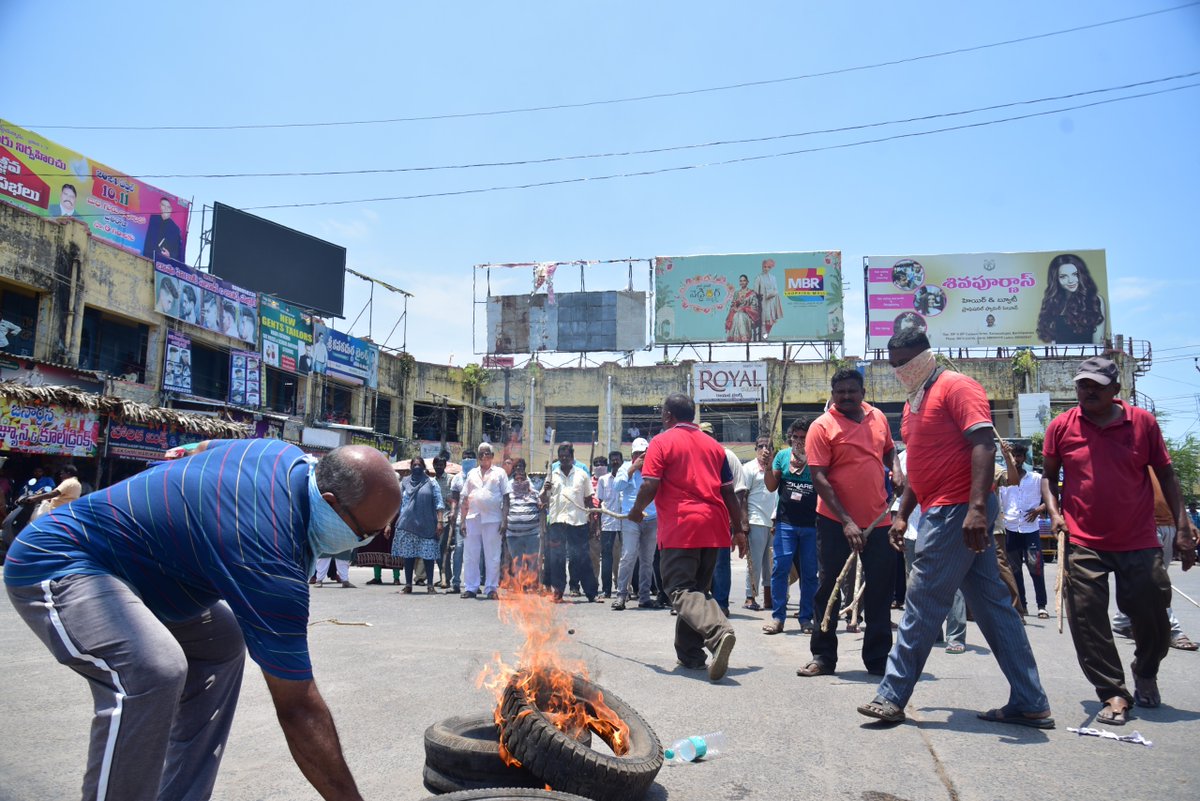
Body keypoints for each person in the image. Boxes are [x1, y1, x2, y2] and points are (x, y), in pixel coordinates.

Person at [4, 440, 400, 801]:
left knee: (222, 642)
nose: (369, 539)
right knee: (153, 669)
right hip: (61, 559)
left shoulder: (280, 454)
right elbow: (298, 708)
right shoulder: (266, 553)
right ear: (329, 502)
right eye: (365, 532)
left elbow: (197, 448)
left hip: (143, 575)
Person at [859, 329, 1052, 727]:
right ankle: (1030, 700)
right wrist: (901, 512)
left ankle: (892, 694)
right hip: (939, 508)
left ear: (927, 356)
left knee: (923, 600)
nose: (900, 370)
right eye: (894, 364)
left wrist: (978, 508)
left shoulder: (956, 386)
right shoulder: (913, 405)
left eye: (907, 362)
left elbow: (984, 444)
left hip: (956, 511)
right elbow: (920, 468)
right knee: (994, 607)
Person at [1042, 356, 1197, 725]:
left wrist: (1184, 525)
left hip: (1137, 539)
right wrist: (1053, 512)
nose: (1088, 390)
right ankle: (1112, 691)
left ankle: (1146, 669)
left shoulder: (1142, 423)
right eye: (1083, 384)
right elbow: (1048, 476)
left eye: (1096, 385)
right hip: (1082, 540)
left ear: (1116, 390)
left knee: (1153, 614)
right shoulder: (1061, 426)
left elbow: (1167, 474)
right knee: (1086, 619)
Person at [628, 393, 746, 682]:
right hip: (714, 526)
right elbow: (728, 492)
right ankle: (690, 654)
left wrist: (635, 511)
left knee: (679, 591)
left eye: (662, 413)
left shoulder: (661, 442)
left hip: (683, 526)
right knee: (696, 592)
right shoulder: (714, 447)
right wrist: (739, 529)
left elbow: (650, 484)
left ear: (668, 415)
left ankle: (719, 632)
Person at [799, 368, 896, 678]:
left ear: (862, 392)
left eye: (851, 391)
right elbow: (819, 479)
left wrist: (898, 470)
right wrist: (847, 522)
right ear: (832, 394)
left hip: (879, 519)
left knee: (880, 589)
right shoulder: (821, 427)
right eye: (839, 392)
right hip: (835, 522)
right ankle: (823, 657)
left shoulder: (878, 417)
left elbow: (890, 450)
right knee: (828, 587)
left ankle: (878, 660)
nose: (845, 397)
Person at [1111, 469, 1198, 651]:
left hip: (1170, 524)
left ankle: (1122, 620)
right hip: (1145, 524)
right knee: (1157, 582)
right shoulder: (1126, 450)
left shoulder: (1159, 456)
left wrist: (1187, 522)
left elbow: (1172, 489)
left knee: (1151, 580)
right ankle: (1173, 630)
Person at [763, 418, 819, 635]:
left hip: (812, 526)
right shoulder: (782, 457)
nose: (798, 441)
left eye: (803, 437)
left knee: (810, 573)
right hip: (786, 524)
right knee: (780, 570)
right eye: (795, 437)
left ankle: (806, 618)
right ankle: (778, 618)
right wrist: (768, 467)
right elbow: (770, 487)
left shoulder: (818, 456)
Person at [700, 422, 748, 616]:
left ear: (714, 436)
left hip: (721, 518)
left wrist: (734, 520)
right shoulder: (695, 455)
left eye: (708, 434)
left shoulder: (727, 455)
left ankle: (721, 603)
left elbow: (739, 490)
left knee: (720, 562)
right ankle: (698, 602)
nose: (704, 438)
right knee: (698, 561)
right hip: (700, 518)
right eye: (701, 434)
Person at [541, 443, 599, 603]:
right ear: (558, 458)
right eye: (561, 456)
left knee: (581, 557)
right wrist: (545, 490)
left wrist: (593, 520)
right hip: (557, 521)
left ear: (572, 457)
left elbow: (588, 500)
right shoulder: (551, 475)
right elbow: (542, 500)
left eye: (567, 456)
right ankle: (558, 591)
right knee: (556, 559)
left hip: (578, 521)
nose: (564, 459)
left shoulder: (582, 474)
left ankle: (591, 593)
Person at [997, 441, 1047, 619]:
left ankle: (1042, 606)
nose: (1016, 459)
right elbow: (999, 501)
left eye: (1019, 456)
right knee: (1014, 570)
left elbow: (1050, 497)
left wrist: (1040, 509)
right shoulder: (1003, 479)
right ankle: (1022, 606)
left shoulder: (1036, 479)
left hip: (1030, 530)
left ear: (1023, 458)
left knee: (1036, 567)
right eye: (1013, 456)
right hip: (1011, 529)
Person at [611, 437, 660, 611]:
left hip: (652, 518)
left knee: (647, 559)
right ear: (632, 454)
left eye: (644, 454)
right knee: (628, 556)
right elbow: (617, 487)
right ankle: (621, 595)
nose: (641, 457)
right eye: (637, 454)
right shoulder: (626, 467)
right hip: (631, 518)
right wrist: (633, 468)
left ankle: (644, 596)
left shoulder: (654, 467)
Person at [459, 442, 511, 599]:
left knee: (493, 555)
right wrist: (462, 521)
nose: (483, 456)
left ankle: (491, 588)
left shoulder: (500, 473)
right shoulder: (472, 473)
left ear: (492, 456)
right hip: (472, 518)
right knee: (470, 555)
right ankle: (471, 587)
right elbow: (464, 498)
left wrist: (504, 520)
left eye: (486, 453)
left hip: (493, 518)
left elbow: (506, 497)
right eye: (480, 454)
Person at [391, 456, 444, 594]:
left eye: (419, 464)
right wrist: (388, 523)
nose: (417, 467)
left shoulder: (431, 482)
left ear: (424, 467)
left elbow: (439, 503)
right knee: (408, 556)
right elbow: (398, 503)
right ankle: (408, 585)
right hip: (407, 525)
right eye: (414, 465)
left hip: (427, 524)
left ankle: (430, 586)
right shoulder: (404, 482)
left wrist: (440, 521)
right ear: (410, 467)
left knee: (428, 556)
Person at [1035, 253, 1106, 345]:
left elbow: (1098, 345)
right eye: (1063, 276)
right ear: (1055, 279)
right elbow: (1052, 344)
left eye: (1074, 274)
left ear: (1081, 275)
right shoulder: (1053, 303)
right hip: (1060, 358)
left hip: (1088, 358)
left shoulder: (1095, 301)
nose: (1071, 280)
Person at [741, 436, 777, 612]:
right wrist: (744, 522)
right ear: (756, 449)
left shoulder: (776, 469)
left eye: (768, 446)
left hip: (773, 522)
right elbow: (742, 497)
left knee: (771, 564)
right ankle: (750, 597)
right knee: (753, 563)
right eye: (761, 446)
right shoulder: (748, 468)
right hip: (755, 521)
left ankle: (769, 599)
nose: (765, 450)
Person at [505, 459, 543, 586]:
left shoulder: (534, 491)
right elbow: (503, 509)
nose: (520, 480)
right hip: (513, 534)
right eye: (517, 478)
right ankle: (520, 586)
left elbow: (541, 508)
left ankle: (532, 584)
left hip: (532, 533)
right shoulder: (507, 491)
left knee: (532, 561)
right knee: (517, 562)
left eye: (522, 478)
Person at [595, 450, 625, 598]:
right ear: (609, 462)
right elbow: (599, 503)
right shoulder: (603, 480)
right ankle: (606, 590)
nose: (615, 462)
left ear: (621, 461)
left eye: (617, 460)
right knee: (607, 557)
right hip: (608, 522)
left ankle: (628, 588)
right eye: (612, 460)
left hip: (626, 522)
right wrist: (598, 526)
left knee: (627, 556)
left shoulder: (628, 478)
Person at [725, 274, 761, 342]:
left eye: (744, 281)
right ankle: (735, 339)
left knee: (740, 315)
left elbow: (754, 307)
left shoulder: (752, 293)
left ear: (747, 282)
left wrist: (744, 309)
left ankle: (744, 338)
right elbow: (732, 305)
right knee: (736, 315)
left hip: (748, 315)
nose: (742, 282)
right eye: (741, 281)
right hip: (737, 313)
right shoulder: (736, 293)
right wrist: (735, 307)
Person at [754, 258, 784, 339]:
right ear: (762, 267)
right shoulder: (759, 278)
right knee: (763, 322)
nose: (766, 268)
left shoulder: (773, 278)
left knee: (771, 321)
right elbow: (756, 291)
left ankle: (765, 336)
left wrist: (771, 293)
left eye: (768, 267)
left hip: (771, 302)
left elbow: (776, 289)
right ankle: (762, 337)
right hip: (762, 302)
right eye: (765, 267)